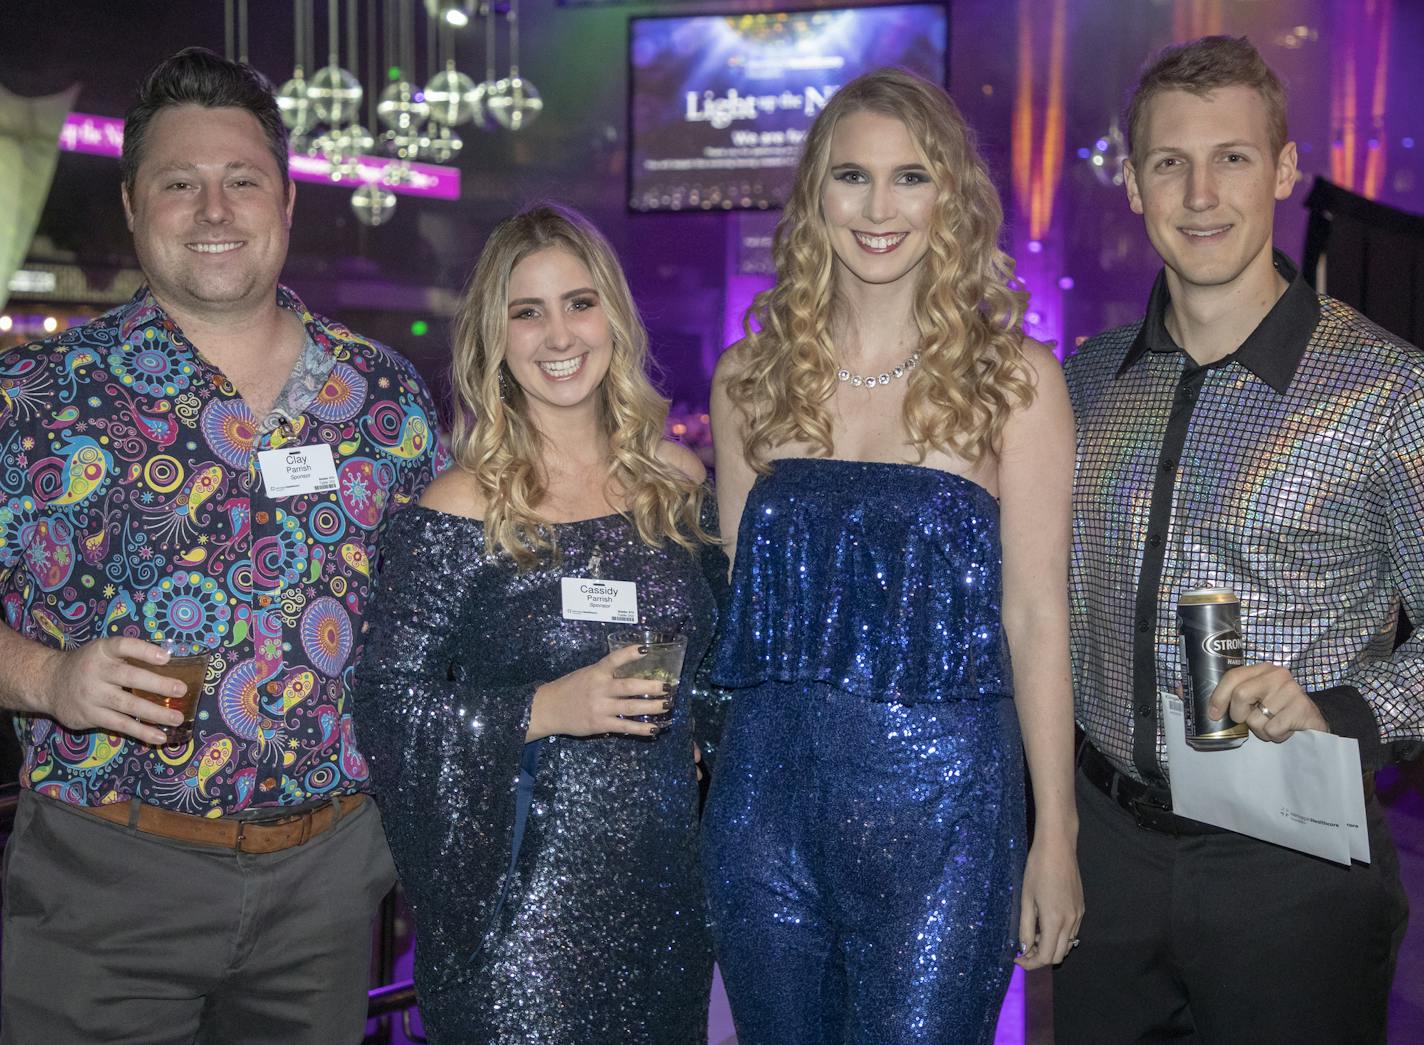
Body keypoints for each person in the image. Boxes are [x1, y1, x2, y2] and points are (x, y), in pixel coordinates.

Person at [0, 48, 444, 1043]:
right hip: (104, 883)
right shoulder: (32, 396)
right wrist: (46, 675)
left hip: (327, 889)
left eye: (240, 180)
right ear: (129, 205)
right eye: (179, 183)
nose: (213, 208)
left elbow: (449, 620)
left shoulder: (382, 399)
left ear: (285, 201)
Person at [704, 68, 1083, 1044]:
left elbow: (1037, 619)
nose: (877, 208)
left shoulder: (1015, 382)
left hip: (947, 819)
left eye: (908, 177)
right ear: (812, 199)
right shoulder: (748, 380)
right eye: (850, 178)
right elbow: (747, 608)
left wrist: (1057, 836)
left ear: (948, 196)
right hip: (765, 810)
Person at [1055, 35, 1416, 1045]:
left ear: (1285, 170)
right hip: (1106, 856)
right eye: (1168, 161)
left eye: (1233, 156)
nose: (1200, 191)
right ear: (1131, 182)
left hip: (1290, 862)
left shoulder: (1384, 390)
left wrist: (1342, 706)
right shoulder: (1081, 387)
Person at [352, 203, 724, 1043]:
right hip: (518, 912)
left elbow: (718, 659)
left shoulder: (675, 479)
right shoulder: (459, 506)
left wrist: (707, 725)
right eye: (528, 311)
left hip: (664, 895)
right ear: (497, 338)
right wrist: (545, 708)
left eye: (579, 302)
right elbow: (382, 702)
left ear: (614, 319)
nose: (558, 334)